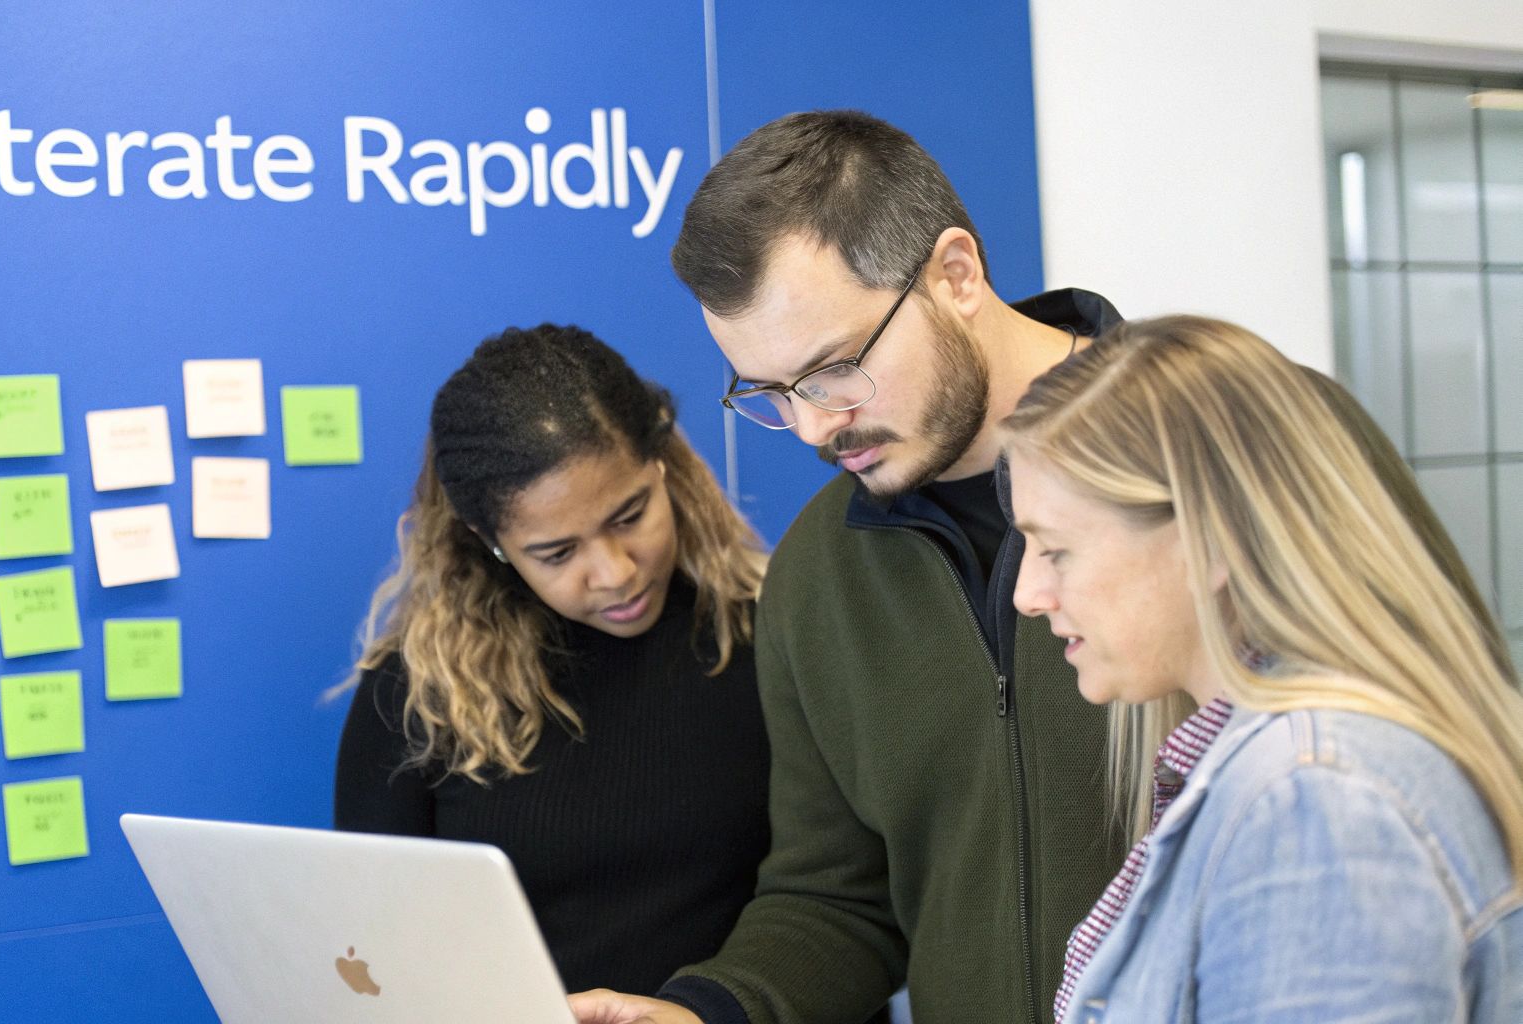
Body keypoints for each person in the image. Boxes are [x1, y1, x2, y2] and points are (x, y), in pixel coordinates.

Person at [569, 110, 1490, 1024]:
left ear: (956, 274)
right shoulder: (817, 573)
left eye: (835, 369)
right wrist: (709, 1013)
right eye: (771, 393)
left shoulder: (1250, 447)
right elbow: (836, 895)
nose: (814, 426)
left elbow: (1438, 752)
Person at [1002, 315, 1523, 1022]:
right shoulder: (1286, 772)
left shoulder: (1313, 804)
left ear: (1213, 539)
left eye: (1057, 551)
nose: (1028, 595)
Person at [333, 323, 773, 997]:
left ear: (661, 464)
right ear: (492, 544)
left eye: (630, 515)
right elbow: (377, 956)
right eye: (558, 553)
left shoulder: (773, 635)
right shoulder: (419, 695)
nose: (616, 573)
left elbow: (841, 902)